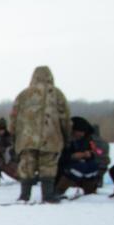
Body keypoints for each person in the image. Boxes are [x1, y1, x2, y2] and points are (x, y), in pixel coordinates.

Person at [8, 65, 71, 203]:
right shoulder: (56, 94)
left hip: (26, 138)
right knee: (48, 166)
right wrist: (67, 136)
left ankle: (24, 195)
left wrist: (13, 136)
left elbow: (13, 117)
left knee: (26, 166)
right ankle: (48, 195)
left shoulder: (24, 95)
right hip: (50, 137)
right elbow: (65, 118)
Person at [55, 116, 103, 196]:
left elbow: (96, 153)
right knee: (79, 167)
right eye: (79, 131)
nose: (81, 134)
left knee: (92, 166)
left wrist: (89, 154)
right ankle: (58, 191)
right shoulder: (62, 139)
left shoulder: (88, 139)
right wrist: (72, 156)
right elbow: (57, 157)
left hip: (83, 165)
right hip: (64, 167)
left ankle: (90, 192)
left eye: (83, 132)